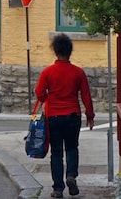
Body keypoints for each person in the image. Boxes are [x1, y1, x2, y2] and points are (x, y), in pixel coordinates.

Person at [35, 33, 95, 198]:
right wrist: (90, 116)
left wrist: (49, 99)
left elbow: (39, 92)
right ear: (70, 51)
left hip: (53, 116)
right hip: (72, 115)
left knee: (56, 152)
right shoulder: (78, 73)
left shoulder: (48, 72)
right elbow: (86, 96)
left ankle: (58, 189)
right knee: (72, 147)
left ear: (55, 51)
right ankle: (71, 176)